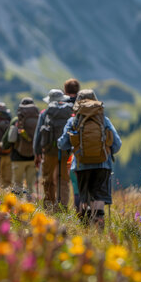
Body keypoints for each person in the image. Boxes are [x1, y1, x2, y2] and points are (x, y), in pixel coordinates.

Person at [58, 89, 121, 229]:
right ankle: (99, 222)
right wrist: (107, 152)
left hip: (81, 165)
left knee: (84, 195)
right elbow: (117, 144)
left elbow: (63, 144)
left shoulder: (73, 120)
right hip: (102, 165)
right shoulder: (104, 120)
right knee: (98, 195)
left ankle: (86, 229)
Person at [33, 89, 73, 208]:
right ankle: (62, 207)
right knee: (64, 180)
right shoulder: (69, 112)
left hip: (49, 150)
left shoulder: (45, 113)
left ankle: (49, 205)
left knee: (48, 179)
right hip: (66, 151)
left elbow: (38, 134)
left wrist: (37, 152)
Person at [2, 97, 39, 200]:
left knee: (17, 183)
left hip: (17, 157)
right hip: (32, 157)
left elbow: (7, 140)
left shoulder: (16, 120)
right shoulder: (38, 119)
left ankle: (16, 207)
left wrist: (4, 147)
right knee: (30, 185)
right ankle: (31, 207)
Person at [63, 78, 81, 211]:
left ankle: (77, 212)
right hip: (87, 149)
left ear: (65, 90)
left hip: (69, 150)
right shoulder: (84, 105)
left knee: (73, 182)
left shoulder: (62, 104)